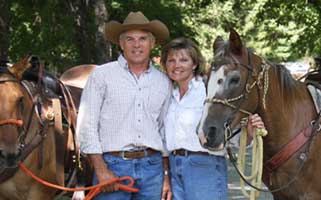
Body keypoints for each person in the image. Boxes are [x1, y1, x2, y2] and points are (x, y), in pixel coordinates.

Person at [76, 11, 172, 200]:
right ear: (121, 44)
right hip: (112, 165)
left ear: (152, 43)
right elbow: (87, 125)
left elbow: (164, 131)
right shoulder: (102, 76)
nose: (137, 45)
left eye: (143, 39)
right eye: (130, 39)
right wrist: (101, 169)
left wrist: (166, 176)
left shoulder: (164, 81)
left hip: (153, 168)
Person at [161, 37, 267, 200]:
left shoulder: (208, 91)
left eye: (183, 60)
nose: (177, 65)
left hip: (204, 166)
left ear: (194, 64)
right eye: (171, 60)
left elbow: (233, 136)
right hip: (175, 167)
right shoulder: (169, 95)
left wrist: (249, 132)